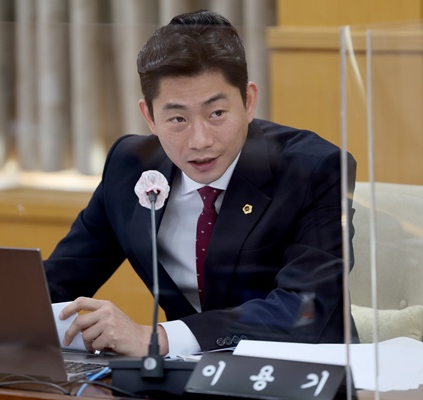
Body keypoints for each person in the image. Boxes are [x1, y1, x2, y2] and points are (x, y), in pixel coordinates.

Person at [44, 9, 357, 358]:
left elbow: (305, 310)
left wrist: (157, 338)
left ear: (248, 101)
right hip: (181, 378)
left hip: (301, 372)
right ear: (149, 116)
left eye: (216, 114)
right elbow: (58, 281)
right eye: (177, 118)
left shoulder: (313, 169)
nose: (200, 140)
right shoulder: (128, 167)